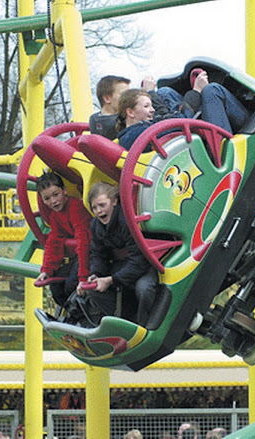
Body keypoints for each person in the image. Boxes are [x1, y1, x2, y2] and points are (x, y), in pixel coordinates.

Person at [77, 182, 158, 326]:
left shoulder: (127, 220)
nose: (98, 211)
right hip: (126, 264)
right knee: (94, 289)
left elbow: (140, 262)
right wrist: (95, 273)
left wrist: (111, 280)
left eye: (102, 205)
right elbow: (98, 255)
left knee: (144, 289)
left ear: (114, 201)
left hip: (146, 265)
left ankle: (145, 326)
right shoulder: (96, 226)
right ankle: (124, 323)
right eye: (94, 207)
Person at [116, 69, 249, 149]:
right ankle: (252, 130)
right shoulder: (138, 134)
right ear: (130, 112)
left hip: (192, 143)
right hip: (217, 151)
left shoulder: (138, 130)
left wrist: (152, 93)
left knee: (164, 92)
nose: (152, 110)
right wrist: (196, 91)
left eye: (151, 106)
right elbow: (181, 120)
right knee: (212, 90)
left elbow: (165, 117)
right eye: (146, 106)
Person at [34, 172, 92, 309]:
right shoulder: (55, 216)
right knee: (55, 286)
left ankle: (83, 312)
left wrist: (83, 277)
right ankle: (72, 313)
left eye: (56, 194)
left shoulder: (76, 207)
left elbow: (84, 242)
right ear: (42, 201)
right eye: (47, 198)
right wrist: (46, 271)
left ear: (64, 191)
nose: (53, 201)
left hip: (92, 252)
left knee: (71, 283)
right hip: (80, 256)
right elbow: (53, 243)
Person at [89, 75, 131, 140]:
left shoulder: (94, 119)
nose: (130, 98)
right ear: (107, 98)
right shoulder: (119, 122)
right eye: (124, 94)